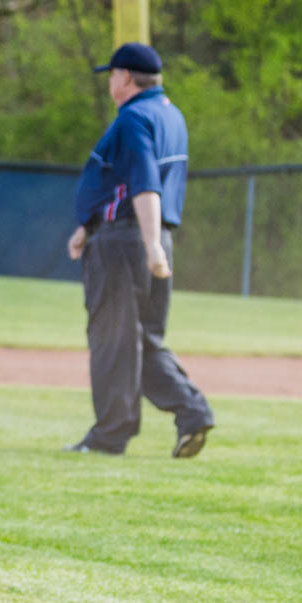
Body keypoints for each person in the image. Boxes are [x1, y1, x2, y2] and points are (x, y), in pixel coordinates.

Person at [64, 42, 214, 457]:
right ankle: (193, 413)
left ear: (126, 77)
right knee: (143, 340)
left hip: (127, 242)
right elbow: (126, 184)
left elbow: (145, 184)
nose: (110, 82)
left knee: (113, 340)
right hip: (150, 234)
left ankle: (109, 436)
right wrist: (89, 227)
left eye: (112, 74)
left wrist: (148, 246)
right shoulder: (170, 114)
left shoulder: (133, 118)